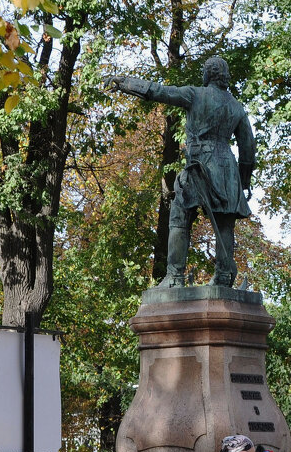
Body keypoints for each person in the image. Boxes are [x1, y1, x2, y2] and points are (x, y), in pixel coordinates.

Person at [110, 57, 256, 288]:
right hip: (227, 169)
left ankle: (174, 277)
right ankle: (224, 276)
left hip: (200, 164)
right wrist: (244, 181)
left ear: (208, 75)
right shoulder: (237, 107)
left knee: (180, 215)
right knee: (225, 224)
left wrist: (127, 83)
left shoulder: (195, 94)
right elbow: (248, 149)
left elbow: (161, 91)